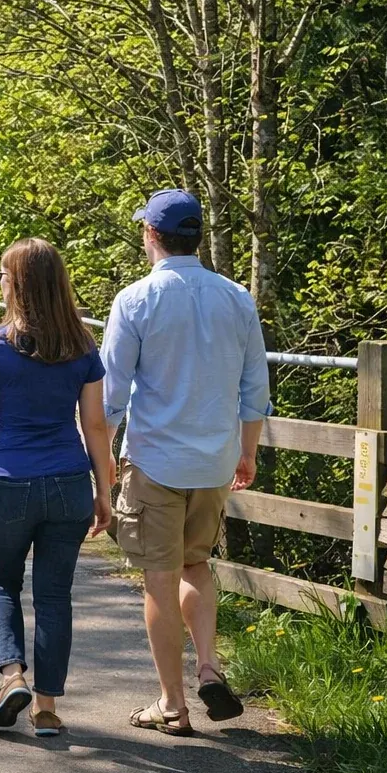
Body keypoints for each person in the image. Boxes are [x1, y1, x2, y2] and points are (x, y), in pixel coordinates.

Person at [102, 188, 271, 737]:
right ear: (197, 237)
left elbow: (111, 394)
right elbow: (254, 387)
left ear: (150, 235)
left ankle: (172, 704)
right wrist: (246, 452)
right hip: (215, 460)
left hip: (154, 459)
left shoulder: (135, 300)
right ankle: (209, 666)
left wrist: (102, 460)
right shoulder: (236, 298)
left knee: (159, 579)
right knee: (196, 565)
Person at [0, 239, 114, 737]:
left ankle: (12, 676)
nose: (0, 281)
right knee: (53, 596)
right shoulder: (83, 345)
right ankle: (46, 709)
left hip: (8, 482)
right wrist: (103, 491)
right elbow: (95, 427)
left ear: (18, 283)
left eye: (4, 274)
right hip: (68, 483)